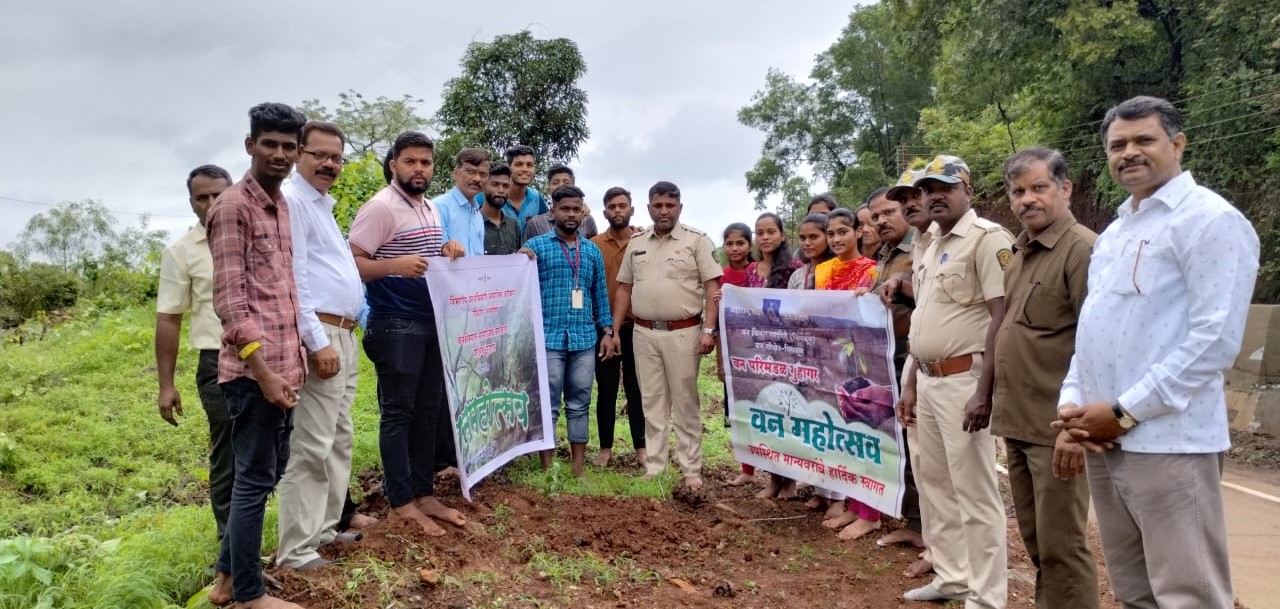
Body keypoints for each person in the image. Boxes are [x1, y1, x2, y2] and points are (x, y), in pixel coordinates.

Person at [1054, 96, 1258, 609]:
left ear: (1177, 144)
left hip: (1169, 440)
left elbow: (1214, 340)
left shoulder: (1211, 221)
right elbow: (1095, 328)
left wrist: (1124, 413)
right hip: (1104, 438)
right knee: (1134, 589)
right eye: (1117, 145)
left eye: (1144, 139)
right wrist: (1073, 403)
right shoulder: (1118, 232)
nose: (1129, 153)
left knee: (1189, 593)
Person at [895, 155, 1014, 607]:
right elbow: (925, 321)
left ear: (969, 190)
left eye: (945, 187)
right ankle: (951, 576)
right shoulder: (929, 244)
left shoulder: (987, 239)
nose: (933, 196)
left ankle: (987, 597)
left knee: (975, 494)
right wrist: (909, 385)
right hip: (925, 380)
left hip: (966, 382)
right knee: (934, 484)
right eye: (927, 190)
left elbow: (1001, 318)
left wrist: (985, 390)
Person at [205, 102, 308, 609]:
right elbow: (230, 303)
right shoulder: (232, 207)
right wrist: (264, 373)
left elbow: (282, 292)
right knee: (251, 482)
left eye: (289, 146)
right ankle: (249, 594)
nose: (280, 154)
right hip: (253, 377)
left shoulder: (282, 205)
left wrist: (291, 370)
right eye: (270, 144)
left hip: (285, 372)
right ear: (251, 146)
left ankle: (225, 582)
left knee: (266, 474)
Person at [989, 147, 1098, 608]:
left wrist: (1075, 430)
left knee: (1063, 547)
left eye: (1038, 188)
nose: (1026, 199)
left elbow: (1099, 346)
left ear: (1065, 189)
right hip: (1019, 421)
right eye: (1018, 191)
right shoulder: (1021, 252)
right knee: (1037, 541)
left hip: (1058, 430)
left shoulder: (1083, 250)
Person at [347, 131, 468, 538]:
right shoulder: (380, 208)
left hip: (430, 320)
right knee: (398, 414)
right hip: (395, 322)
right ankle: (400, 501)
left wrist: (448, 247)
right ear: (393, 164)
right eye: (411, 161)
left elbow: (426, 257)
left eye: (426, 162)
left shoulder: (429, 207)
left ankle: (424, 493)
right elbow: (353, 264)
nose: (419, 169)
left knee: (427, 412)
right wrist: (394, 266)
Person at [274, 121, 366, 571]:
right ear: (298, 154)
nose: (330, 164)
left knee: (339, 438)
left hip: (345, 333)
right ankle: (295, 549)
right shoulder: (292, 203)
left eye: (337, 157)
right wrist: (315, 341)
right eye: (320, 155)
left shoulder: (322, 206)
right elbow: (296, 279)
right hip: (322, 336)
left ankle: (325, 529)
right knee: (312, 443)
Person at [607, 181, 721, 491]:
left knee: (685, 402)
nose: (664, 211)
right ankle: (655, 465)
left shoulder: (696, 241)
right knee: (651, 401)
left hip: (684, 333)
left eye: (670, 205)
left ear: (679, 208)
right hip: (643, 332)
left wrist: (709, 329)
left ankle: (690, 469)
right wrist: (614, 329)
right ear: (648, 208)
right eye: (658, 205)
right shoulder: (637, 242)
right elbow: (624, 288)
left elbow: (713, 286)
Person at [155, 163, 233, 588]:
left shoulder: (256, 234)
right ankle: (231, 562)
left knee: (271, 455)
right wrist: (166, 385)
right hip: (216, 363)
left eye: (218, 194)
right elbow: (169, 319)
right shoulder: (182, 251)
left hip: (270, 361)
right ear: (191, 202)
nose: (211, 204)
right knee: (230, 460)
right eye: (202, 197)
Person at [527, 185, 616, 476]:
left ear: (582, 212)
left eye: (576, 209)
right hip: (549, 337)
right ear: (552, 211)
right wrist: (518, 260)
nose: (570, 214)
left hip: (583, 339)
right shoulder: (536, 248)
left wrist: (608, 331)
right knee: (549, 403)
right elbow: (519, 286)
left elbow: (600, 295)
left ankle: (578, 468)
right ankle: (548, 467)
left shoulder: (592, 251)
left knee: (580, 402)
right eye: (564, 208)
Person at [869, 172, 929, 572]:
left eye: (889, 212)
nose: (882, 221)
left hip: (918, 358)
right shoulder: (885, 254)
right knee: (901, 445)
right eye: (876, 216)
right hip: (886, 360)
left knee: (924, 449)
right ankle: (913, 521)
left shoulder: (921, 247)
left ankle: (933, 530)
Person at [810, 208, 881, 540]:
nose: (836, 239)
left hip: (859, 359)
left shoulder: (871, 270)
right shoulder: (822, 271)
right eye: (831, 234)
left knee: (864, 431)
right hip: (829, 358)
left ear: (858, 232)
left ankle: (871, 513)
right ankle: (852, 505)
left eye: (843, 231)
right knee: (843, 433)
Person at [590, 187, 646, 468]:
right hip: (604, 328)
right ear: (605, 212)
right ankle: (605, 449)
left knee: (637, 390)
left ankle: (641, 449)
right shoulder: (594, 244)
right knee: (607, 389)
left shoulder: (643, 241)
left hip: (637, 326)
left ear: (632, 210)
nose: (617, 211)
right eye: (612, 206)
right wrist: (605, 330)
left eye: (622, 206)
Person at [749, 212, 803, 500]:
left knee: (789, 414)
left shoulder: (795, 268)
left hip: (789, 353)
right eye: (760, 232)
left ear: (782, 235)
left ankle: (791, 481)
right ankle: (772, 478)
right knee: (767, 412)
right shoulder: (751, 270)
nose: (765, 237)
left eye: (771, 231)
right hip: (759, 352)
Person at [718, 222, 759, 488]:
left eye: (740, 243)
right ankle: (747, 469)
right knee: (738, 412)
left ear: (749, 245)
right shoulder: (721, 276)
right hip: (733, 350)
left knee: (761, 411)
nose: (735, 248)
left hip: (758, 352)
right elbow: (720, 319)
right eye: (730, 243)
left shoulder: (757, 273)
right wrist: (721, 360)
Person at [436, 148, 489, 257]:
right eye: (470, 172)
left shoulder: (477, 214)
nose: (477, 179)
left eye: (483, 174)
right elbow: (436, 253)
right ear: (455, 173)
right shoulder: (438, 207)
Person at [523, 165, 598, 241]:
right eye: (555, 183)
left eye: (566, 182)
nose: (561, 185)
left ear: (573, 187)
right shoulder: (535, 223)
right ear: (548, 190)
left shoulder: (587, 220)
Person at [502, 145, 549, 232]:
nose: (525, 169)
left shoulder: (536, 198)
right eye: (518, 164)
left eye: (529, 165)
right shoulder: (493, 194)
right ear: (508, 167)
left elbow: (549, 225)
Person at [480, 163, 523, 256]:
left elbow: (518, 258)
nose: (501, 190)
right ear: (483, 187)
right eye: (495, 184)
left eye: (506, 186)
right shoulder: (472, 221)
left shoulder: (513, 224)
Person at [787, 213, 834, 290]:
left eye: (814, 237)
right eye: (802, 238)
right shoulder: (797, 276)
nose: (806, 243)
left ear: (828, 237)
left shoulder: (841, 272)